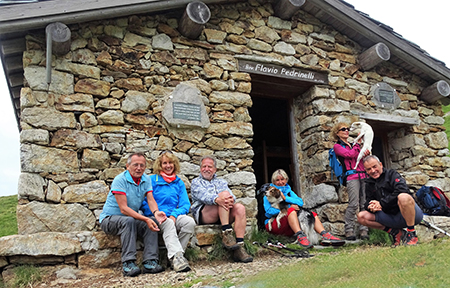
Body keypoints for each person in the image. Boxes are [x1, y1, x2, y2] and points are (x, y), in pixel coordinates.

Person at [99, 153, 166, 277]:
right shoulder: (120, 180)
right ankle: (128, 263)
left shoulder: (146, 179)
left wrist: (156, 213)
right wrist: (145, 218)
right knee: (130, 220)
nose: (139, 168)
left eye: (142, 165)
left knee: (152, 221)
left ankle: (150, 262)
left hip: (130, 219)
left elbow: (150, 199)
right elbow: (124, 209)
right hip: (109, 220)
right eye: (135, 165)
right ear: (127, 166)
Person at [190, 155, 253, 263]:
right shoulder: (196, 182)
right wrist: (217, 199)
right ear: (200, 169)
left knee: (240, 208)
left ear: (215, 170)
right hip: (205, 214)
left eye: (209, 167)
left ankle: (239, 247)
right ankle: (226, 233)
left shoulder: (221, 182)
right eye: (204, 166)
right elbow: (203, 196)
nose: (206, 169)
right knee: (223, 196)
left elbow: (232, 196)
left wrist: (228, 199)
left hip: (223, 211)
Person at [140, 151, 195, 272]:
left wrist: (174, 215)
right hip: (156, 216)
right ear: (159, 165)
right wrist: (157, 213)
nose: (168, 165)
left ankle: (176, 257)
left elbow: (185, 204)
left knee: (189, 223)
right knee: (169, 223)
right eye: (164, 163)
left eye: (170, 162)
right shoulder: (151, 180)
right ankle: (177, 258)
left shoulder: (178, 182)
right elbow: (144, 202)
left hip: (174, 215)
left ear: (175, 164)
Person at [264, 169, 344, 248]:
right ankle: (301, 237)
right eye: (277, 180)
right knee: (292, 210)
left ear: (286, 180)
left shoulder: (289, 191)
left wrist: (285, 198)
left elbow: (300, 202)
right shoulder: (268, 194)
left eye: (282, 179)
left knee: (312, 214)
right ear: (273, 182)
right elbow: (268, 212)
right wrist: (287, 209)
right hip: (274, 224)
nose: (280, 182)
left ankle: (325, 234)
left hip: (289, 224)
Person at [357, 155, 424, 246]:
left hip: (409, 214)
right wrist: (371, 206)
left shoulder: (392, 174)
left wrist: (382, 204)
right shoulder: (369, 183)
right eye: (369, 169)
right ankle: (396, 233)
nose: (372, 171)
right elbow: (368, 201)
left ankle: (411, 234)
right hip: (389, 216)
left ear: (380, 165)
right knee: (361, 216)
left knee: (403, 197)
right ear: (366, 171)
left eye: (374, 167)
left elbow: (402, 189)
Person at [331, 122, 370, 241]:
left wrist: (365, 152)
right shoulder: (337, 146)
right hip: (352, 176)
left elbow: (361, 158)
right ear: (337, 133)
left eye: (347, 129)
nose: (346, 131)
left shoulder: (354, 144)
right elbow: (349, 155)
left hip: (363, 175)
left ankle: (364, 230)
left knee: (364, 203)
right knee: (353, 204)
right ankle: (349, 230)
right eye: (343, 129)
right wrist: (358, 145)